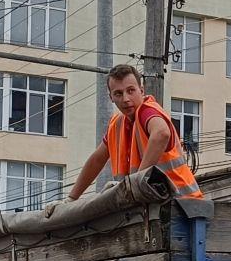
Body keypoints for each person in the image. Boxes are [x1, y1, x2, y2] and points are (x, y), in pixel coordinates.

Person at [67, 64, 204, 204]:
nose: (125, 99)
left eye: (131, 90)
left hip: (183, 205)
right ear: (111, 97)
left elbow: (162, 133)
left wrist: (135, 183)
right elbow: (97, 159)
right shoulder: (117, 125)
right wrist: (71, 199)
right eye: (118, 93)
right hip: (155, 206)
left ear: (141, 91)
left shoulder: (147, 111)